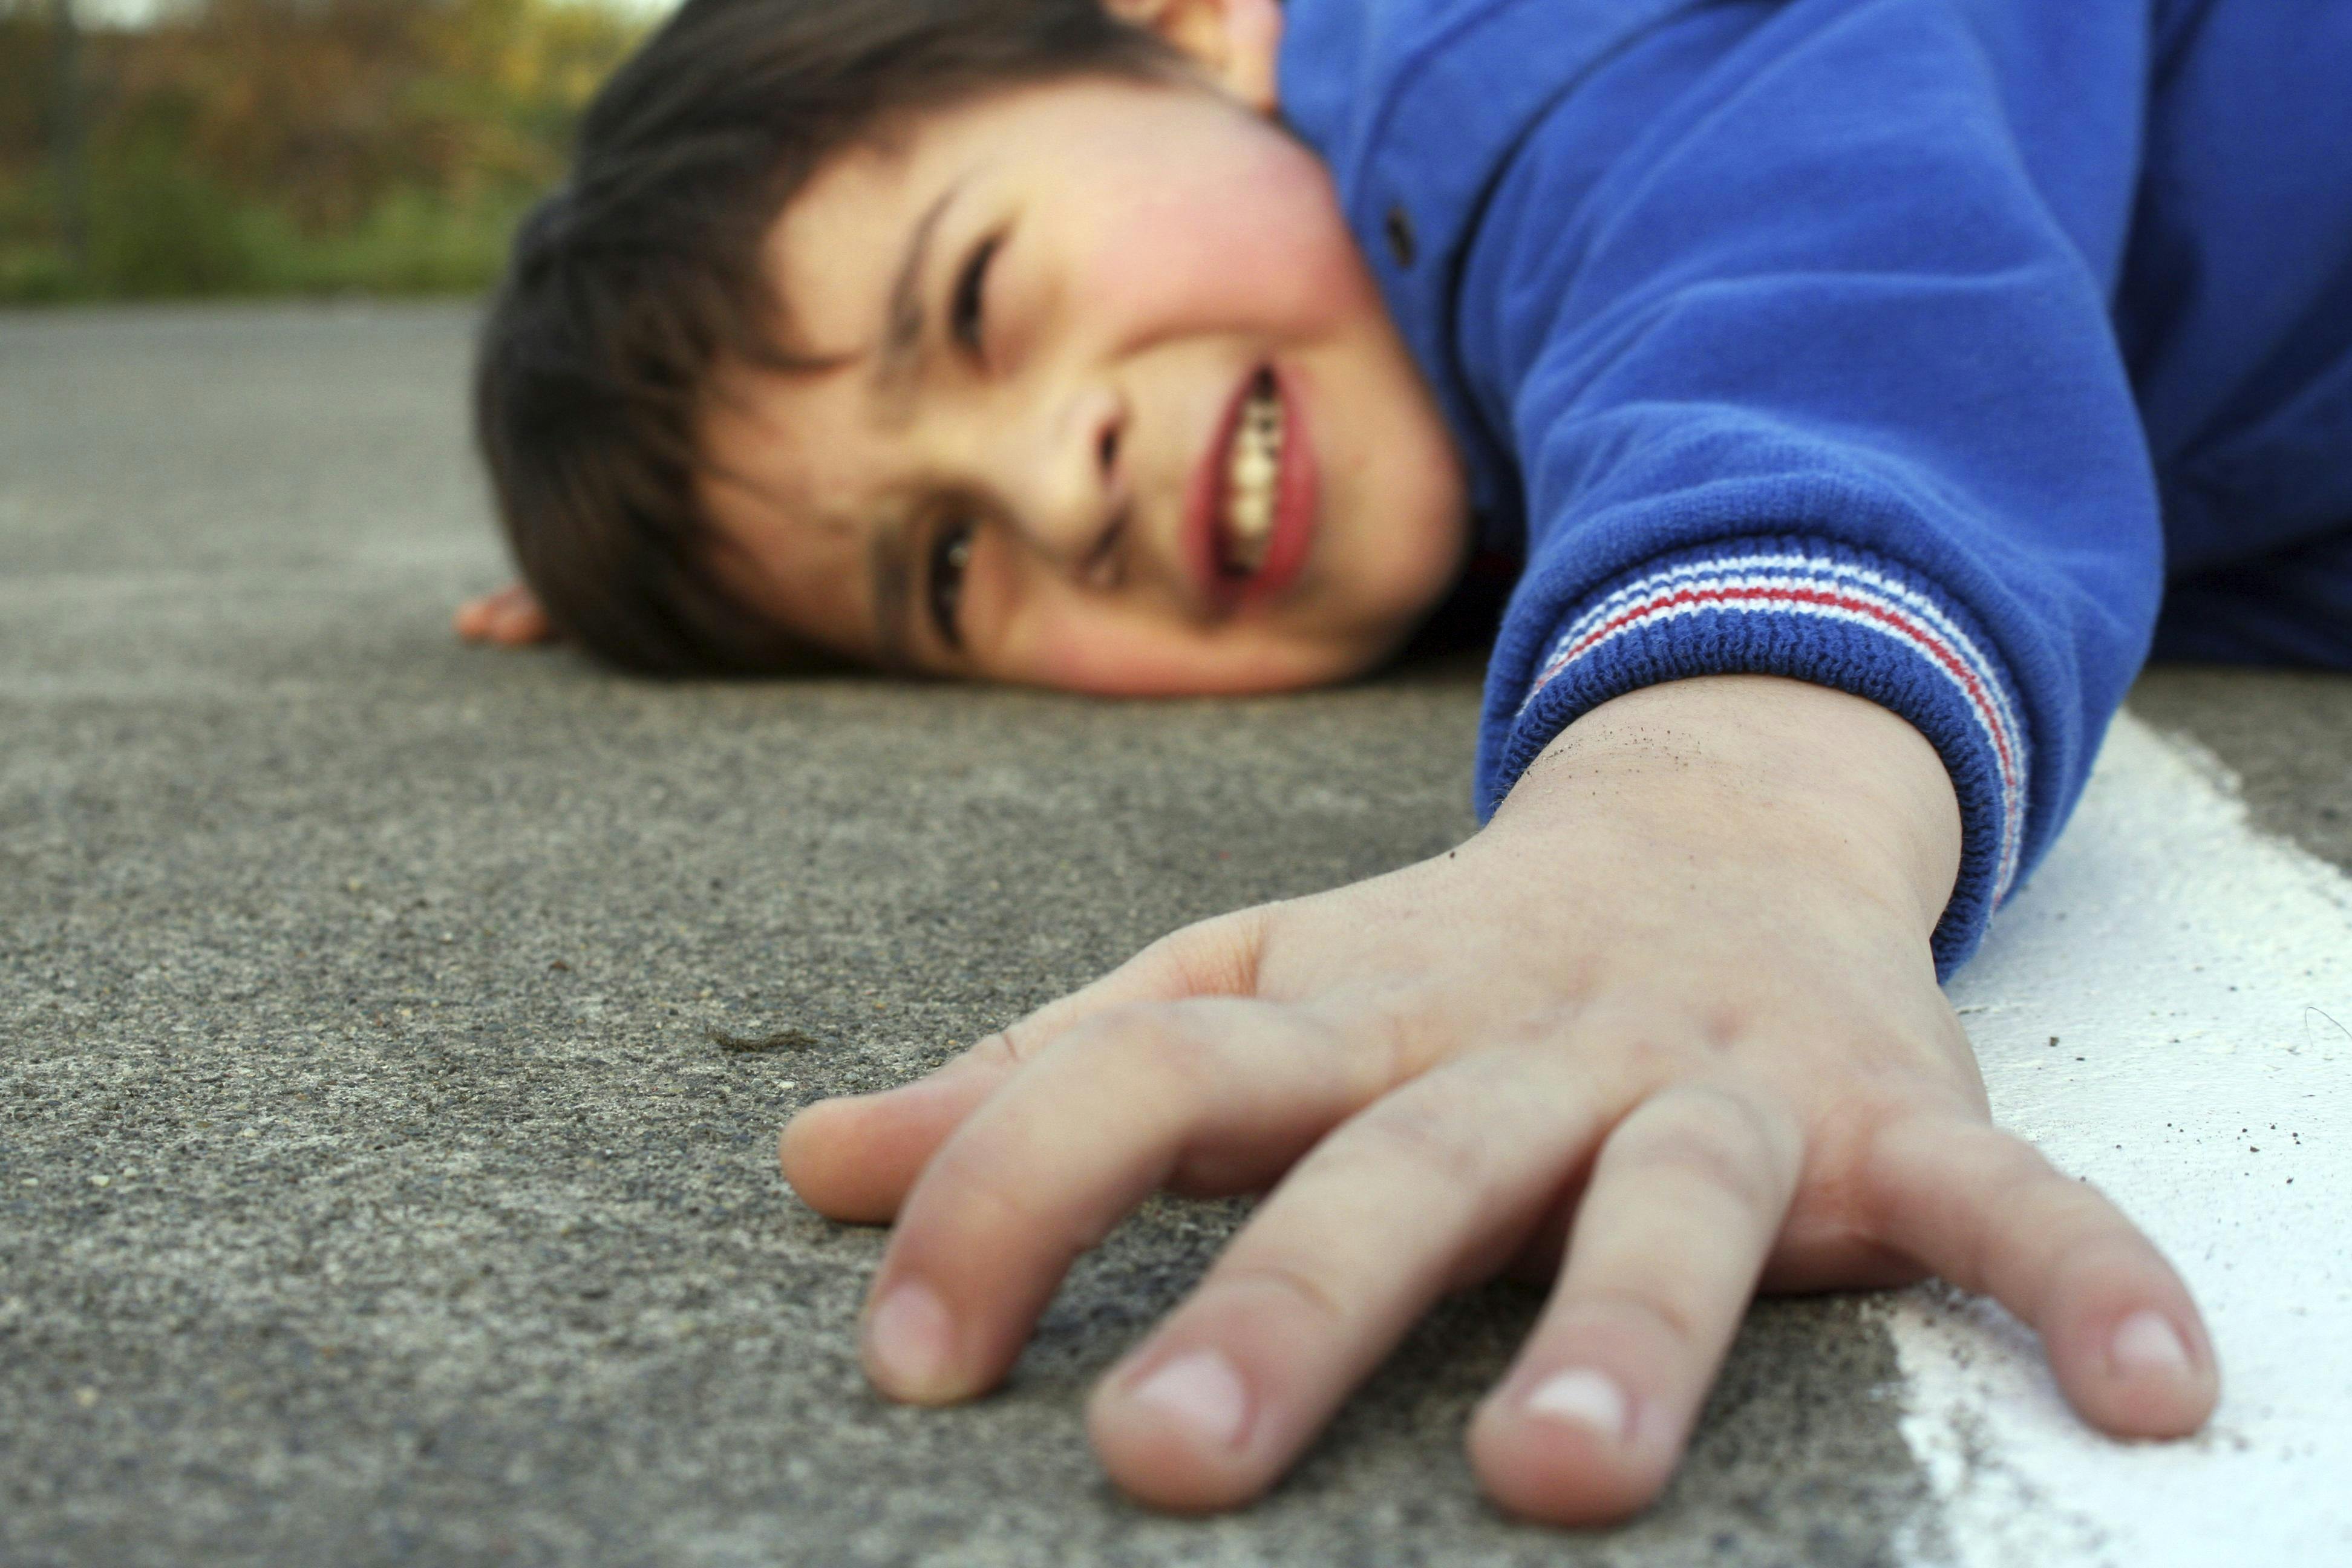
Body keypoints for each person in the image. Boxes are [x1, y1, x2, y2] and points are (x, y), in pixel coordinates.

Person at [464, 0, 2352, 1524]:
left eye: (973, 301)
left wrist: (1714, 832)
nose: (1057, 482)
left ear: (1192, 28)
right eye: (939, 565)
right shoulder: (1431, 399)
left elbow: (1796, 258)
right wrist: (657, 568)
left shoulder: (1500, 54)